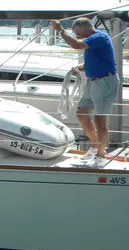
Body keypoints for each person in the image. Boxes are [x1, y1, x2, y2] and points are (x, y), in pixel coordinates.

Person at [50, 17, 119, 161]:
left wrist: (60, 30)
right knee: (82, 114)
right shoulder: (92, 41)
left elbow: (76, 45)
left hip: (104, 81)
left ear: (85, 29)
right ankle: (95, 146)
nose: (78, 36)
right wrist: (79, 68)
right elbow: (93, 62)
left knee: (100, 121)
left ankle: (100, 154)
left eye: (78, 33)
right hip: (92, 82)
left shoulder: (98, 37)